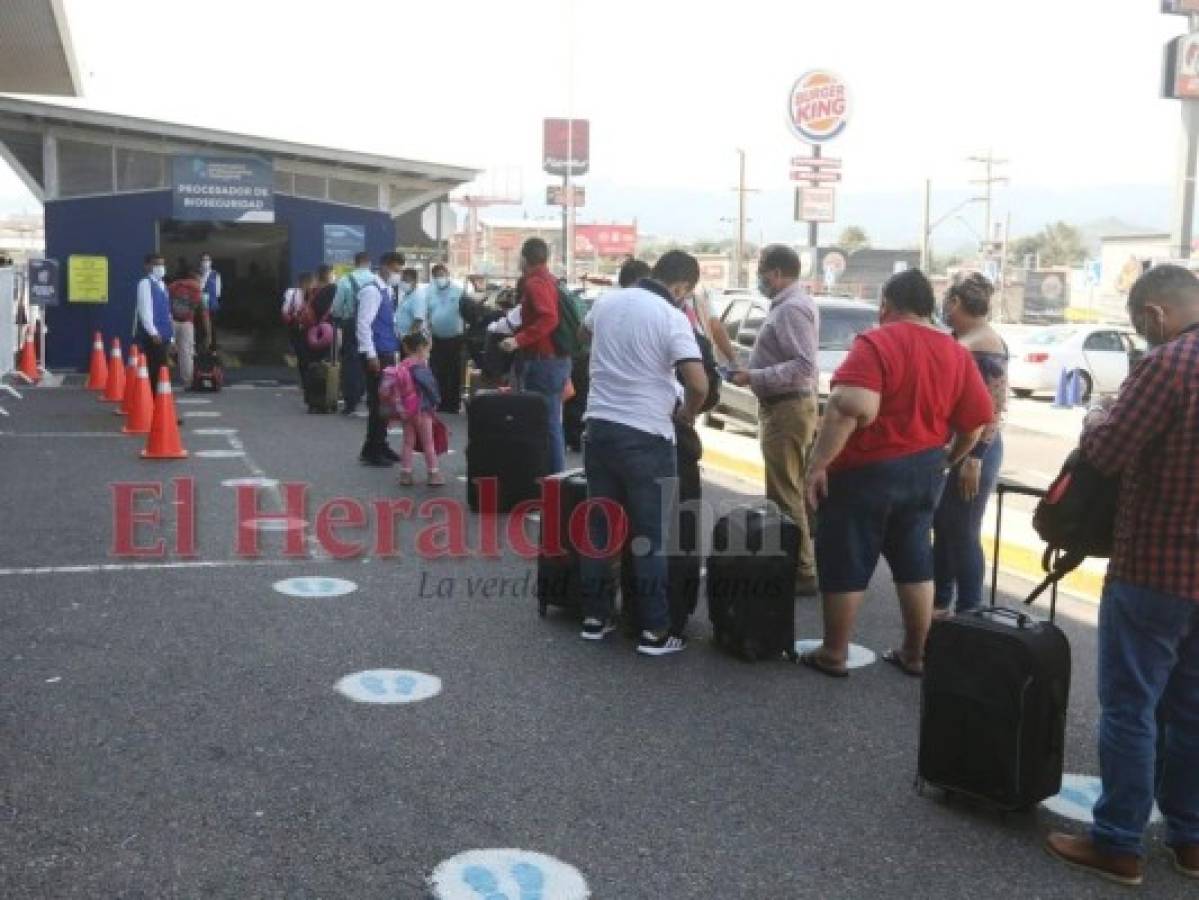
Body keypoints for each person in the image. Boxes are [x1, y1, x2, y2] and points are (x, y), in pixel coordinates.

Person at [1045, 264, 1199, 887]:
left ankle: (1117, 843)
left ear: (1154, 315)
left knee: (1131, 707)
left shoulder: (1170, 365)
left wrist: (1094, 420)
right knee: (1191, 710)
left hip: (1155, 567)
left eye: (1141, 323)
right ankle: (1190, 840)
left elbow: (1107, 452)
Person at [800, 269, 992, 678]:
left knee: (846, 557)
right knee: (914, 560)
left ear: (886, 304)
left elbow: (852, 406)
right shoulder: (955, 351)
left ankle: (834, 653)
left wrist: (818, 465)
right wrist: (949, 459)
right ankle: (916, 652)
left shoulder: (876, 341)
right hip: (924, 470)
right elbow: (975, 423)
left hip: (866, 471)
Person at [577, 249, 709, 656]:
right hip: (648, 436)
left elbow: (584, 340)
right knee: (650, 536)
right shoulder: (672, 318)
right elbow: (699, 383)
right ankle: (655, 632)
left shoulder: (607, 301)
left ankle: (595, 618)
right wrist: (686, 414)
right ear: (681, 286)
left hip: (599, 428)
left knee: (599, 529)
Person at [730, 245, 821, 596]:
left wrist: (756, 377)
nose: (760, 278)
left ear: (778, 273)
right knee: (788, 488)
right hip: (782, 405)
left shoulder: (792, 309)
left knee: (785, 493)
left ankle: (802, 569)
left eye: (763, 272)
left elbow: (803, 365)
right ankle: (799, 560)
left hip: (787, 407)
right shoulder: (787, 305)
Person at [932, 273, 1008, 616]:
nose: (943, 310)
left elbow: (992, 408)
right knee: (946, 526)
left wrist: (974, 457)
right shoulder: (965, 338)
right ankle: (940, 603)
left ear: (956, 303)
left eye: (946, 303)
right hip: (961, 446)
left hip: (976, 450)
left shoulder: (984, 344)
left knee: (962, 531)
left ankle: (970, 612)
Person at [499, 238, 571, 472]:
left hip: (543, 362)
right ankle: (552, 478)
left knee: (547, 422)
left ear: (524, 258)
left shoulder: (535, 283)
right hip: (553, 361)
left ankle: (554, 481)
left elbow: (549, 317)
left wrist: (517, 340)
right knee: (548, 421)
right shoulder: (550, 280)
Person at [356, 252, 405, 467]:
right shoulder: (371, 291)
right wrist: (371, 354)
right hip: (376, 354)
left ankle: (380, 444)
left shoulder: (387, 291)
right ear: (384, 266)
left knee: (387, 403)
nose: (397, 274)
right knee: (377, 403)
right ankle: (372, 449)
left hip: (387, 351)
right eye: (395, 269)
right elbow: (363, 325)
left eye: (400, 270)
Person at [396, 331, 444, 487]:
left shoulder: (402, 365)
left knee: (408, 442)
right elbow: (429, 386)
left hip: (406, 410)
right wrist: (436, 400)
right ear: (420, 348)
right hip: (422, 410)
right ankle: (433, 473)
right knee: (428, 443)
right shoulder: (420, 366)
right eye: (427, 349)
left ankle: (406, 473)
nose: (428, 352)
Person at [333, 251, 377, 415]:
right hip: (372, 324)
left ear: (355, 262)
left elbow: (337, 307)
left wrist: (338, 318)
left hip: (351, 324)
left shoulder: (345, 280)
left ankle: (351, 401)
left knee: (351, 362)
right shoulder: (375, 280)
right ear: (369, 263)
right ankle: (371, 399)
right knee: (370, 358)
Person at [425, 263, 465, 413]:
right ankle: (439, 402)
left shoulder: (458, 291)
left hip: (455, 338)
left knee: (454, 371)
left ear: (447, 275)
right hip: (437, 338)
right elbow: (426, 313)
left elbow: (467, 312)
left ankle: (453, 404)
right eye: (436, 276)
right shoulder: (430, 292)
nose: (439, 278)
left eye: (442, 275)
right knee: (437, 371)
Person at [134, 253, 174, 384]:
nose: (160, 267)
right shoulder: (145, 283)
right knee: (154, 368)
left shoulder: (163, 285)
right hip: (153, 335)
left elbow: (168, 312)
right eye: (156, 264)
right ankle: (151, 397)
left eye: (162, 264)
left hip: (165, 333)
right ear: (147, 266)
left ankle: (160, 398)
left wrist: (171, 336)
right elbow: (145, 312)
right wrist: (153, 333)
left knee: (163, 368)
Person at [168, 268, 209, 388]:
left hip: (171, 321)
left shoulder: (172, 286)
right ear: (197, 278)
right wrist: (208, 334)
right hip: (187, 323)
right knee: (186, 353)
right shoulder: (198, 290)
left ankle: (161, 378)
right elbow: (204, 314)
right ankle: (188, 381)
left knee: (165, 351)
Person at [282, 272, 315, 387]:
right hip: (303, 328)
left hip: (303, 328)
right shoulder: (296, 293)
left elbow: (285, 310)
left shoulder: (294, 293)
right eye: (311, 282)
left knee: (304, 356)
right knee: (304, 356)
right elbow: (285, 311)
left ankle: (306, 380)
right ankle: (307, 380)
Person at [394, 268, 425, 345]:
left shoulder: (417, 296)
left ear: (414, 281)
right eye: (402, 280)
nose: (403, 283)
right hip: (403, 338)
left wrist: (409, 341)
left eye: (406, 280)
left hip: (410, 341)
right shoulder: (407, 295)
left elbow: (418, 321)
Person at [199, 251, 221, 319]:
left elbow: (218, 292)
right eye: (203, 260)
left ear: (210, 261)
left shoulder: (216, 274)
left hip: (212, 303)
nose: (205, 262)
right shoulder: (197, 273)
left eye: (207, 260)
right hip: (200, 304)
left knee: (213, 323)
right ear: (200, 262)